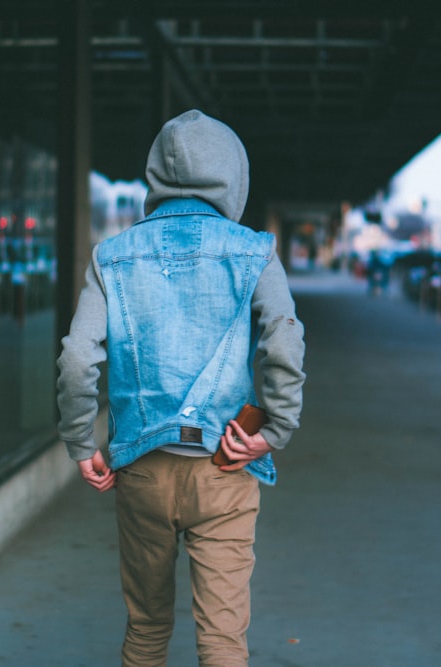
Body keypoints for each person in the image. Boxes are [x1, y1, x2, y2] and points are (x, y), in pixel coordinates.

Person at [56, 109, 306, 666]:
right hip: (225, 465)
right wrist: (279, 427)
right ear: (231, 177)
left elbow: (77, 358)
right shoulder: (254, 251)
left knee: (146, 632)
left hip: (142, 470)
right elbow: (283, 338)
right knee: (222, 642)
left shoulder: (111, 257)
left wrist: (80, 442)